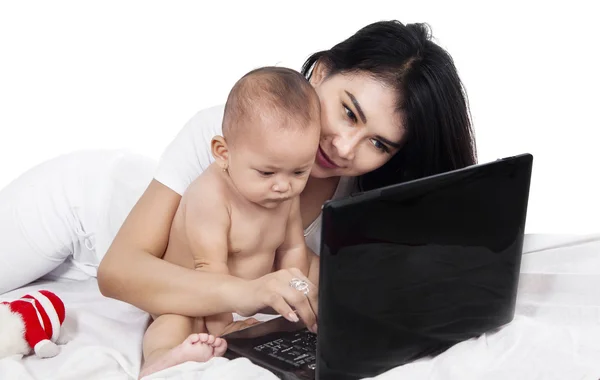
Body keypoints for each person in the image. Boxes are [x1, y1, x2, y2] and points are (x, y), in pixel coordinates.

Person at [0, 19, 477, 351]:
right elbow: (118, 272)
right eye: (348, 111)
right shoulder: (228, 136)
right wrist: (248, 295)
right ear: (322, 71)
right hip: (80, 212)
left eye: (379, 142)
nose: (346, 146)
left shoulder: (361, 196)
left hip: (152, 289)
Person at [139, 66, 321, 377]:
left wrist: (301, 296)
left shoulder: (284, 194)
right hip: (190, 295)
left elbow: (292, 250)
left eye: (299, 172)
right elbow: (210, 270)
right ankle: (162, 360)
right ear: (224, 153)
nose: (283, 185)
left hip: (242, 297)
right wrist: (227, 328)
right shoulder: (210, 197)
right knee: (171, 324)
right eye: (267, 172)